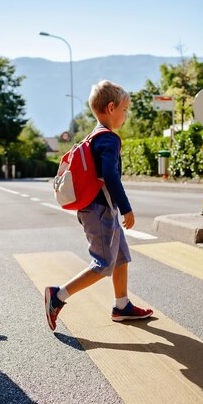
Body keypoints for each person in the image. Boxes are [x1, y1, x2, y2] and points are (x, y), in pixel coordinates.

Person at [44, 80, 153, 331]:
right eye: (125, 110)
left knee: (121, 256)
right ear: (112, 107)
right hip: (100, 210)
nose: (126, 115)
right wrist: (126, 208)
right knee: (103, 263)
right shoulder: (109, 139)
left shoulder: (94, 136)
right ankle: (58, 296)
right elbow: (110, 176)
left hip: (96, 208)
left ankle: (122, 305)